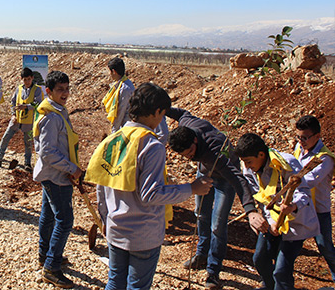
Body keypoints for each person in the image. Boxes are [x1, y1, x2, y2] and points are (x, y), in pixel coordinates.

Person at [87, 83, 212, 290]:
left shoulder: (112, 140)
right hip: (142, 235)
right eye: (162, 115)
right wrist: (191, 188)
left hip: (115, 229)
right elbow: (150, 194)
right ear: (156, 112)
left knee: (115, 282)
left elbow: (102, 185)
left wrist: (105, 221)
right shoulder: (151, 146)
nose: (162, 120)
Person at [167, 108, 266, 290]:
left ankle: (213, 272)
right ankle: (201, 255)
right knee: (201, 214)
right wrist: (162, 107)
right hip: (205, 173)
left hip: (224, 180)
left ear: (195, 140)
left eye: (190, 152)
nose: (189, 156)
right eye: (185, 155)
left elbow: (237, 179)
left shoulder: (216, 152)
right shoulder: (187, 125)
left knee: (217, 225)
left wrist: (250, 209)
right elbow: (181, 114)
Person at [234, 133, 319, 290]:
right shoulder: (249, 171)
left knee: (281, 271)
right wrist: (269, 221)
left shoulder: (286, 163)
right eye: (244, 162)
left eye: (249, 162)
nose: (246, 166)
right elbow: (261, 199)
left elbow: (303, 193)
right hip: (272, 221)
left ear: (261, 154)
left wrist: (292, 206)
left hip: (294, 222)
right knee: (260, 258)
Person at [33, 71, 83, 288]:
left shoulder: (57, 111)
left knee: (48, 214)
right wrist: (71, 168)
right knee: (65, 220)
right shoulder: (52, 117)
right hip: (56, 176)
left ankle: (45, 254)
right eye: (60, 89)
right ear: (48, 91)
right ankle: (52, 268)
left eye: (66, 89)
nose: (64, 93)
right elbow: (48, 152)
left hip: (53, 174)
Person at [292, 115, 335, 282]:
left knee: (325, 247)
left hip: (318, 210)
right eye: (298, 137)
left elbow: (309, 181)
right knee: (289, 246)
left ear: (317, 136)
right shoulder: (299, 148)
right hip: (300, 207)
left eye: (305, 138)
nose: (301, 141)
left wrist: (290, 181)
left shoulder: (324, 158)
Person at [0, 67, 43, 170]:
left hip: (28, 120)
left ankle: (27, 163)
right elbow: (13, 102)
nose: (27, 82)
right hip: (16, 119)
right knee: (6, 137)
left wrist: (26, 107)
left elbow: (38, 103)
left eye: (28, 79)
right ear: (21, 79)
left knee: (27, 142)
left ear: (32, 78)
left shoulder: (37, 90)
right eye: (24, 79)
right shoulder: (19, 88)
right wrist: (13, 114)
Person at [102, 57, 135, 133]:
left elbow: (120, 113)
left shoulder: (125, 89)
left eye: (110, 72)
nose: (110, 74)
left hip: (126, 128)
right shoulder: (122, 84)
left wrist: (114, 133)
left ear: (114, 71)